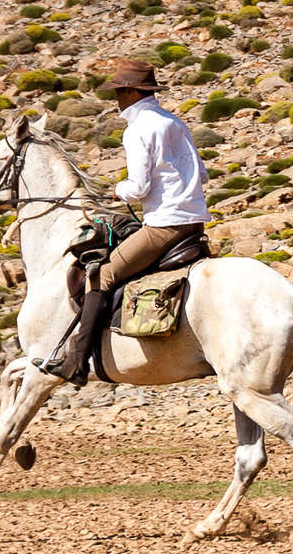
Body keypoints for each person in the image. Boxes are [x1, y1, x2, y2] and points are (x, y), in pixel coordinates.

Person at [37, 58, 211, 384]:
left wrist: (120, 191)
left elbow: (140, 187)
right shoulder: (173, 121)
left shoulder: (138, 130)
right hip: (194, 223)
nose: (115, 98)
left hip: (165, 226)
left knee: (102, 275)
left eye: (118, 92)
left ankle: (76, 363)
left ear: (132, 91)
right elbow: (202, 174)